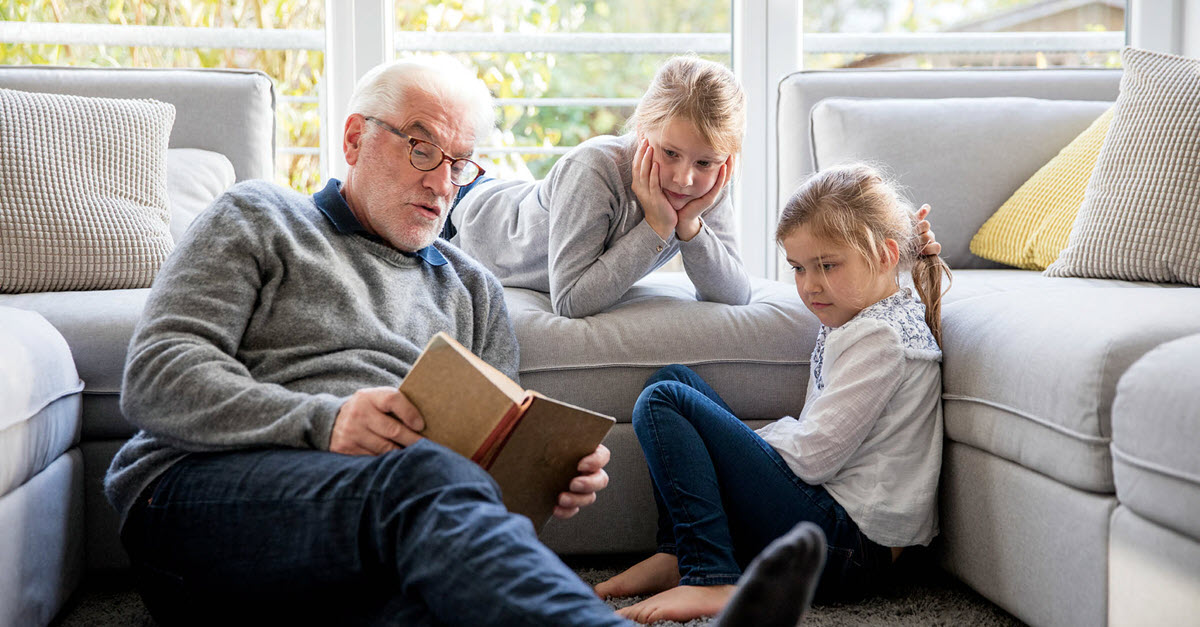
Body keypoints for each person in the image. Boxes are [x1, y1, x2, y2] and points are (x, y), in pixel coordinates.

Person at [104, 55, 825, 627]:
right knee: (419, 480)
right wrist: (324, 421)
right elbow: (158, 377)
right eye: (422, 149)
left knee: (453, 602)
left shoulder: (472, 289)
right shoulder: (260, 216)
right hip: (198, 504)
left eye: (460, 163)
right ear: (354, 137)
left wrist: (543, 478)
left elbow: (478, 491)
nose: (443, 181)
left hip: (367, 536)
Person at [595, 163, 953, 624]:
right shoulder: (860, 317)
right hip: (835, 532)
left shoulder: (882, 338)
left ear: (885, 255)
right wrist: (732, 444)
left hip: (850, 551)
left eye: (827, 265)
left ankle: (710, 576)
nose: (810, 285)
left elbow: (815, 456)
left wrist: (739, 445)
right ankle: (680, 553)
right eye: (799, 268)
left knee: (667, 400)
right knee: (673, 379)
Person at [449, 55, 751, 318]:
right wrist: (657, 227)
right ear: (642, 129)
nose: (684, 179)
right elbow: (570, 301)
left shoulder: (706, 185)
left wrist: (690, 227)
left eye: (704, 163)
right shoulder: (594, 169)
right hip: (460, 212)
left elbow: (735, 295)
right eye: (670, 153)